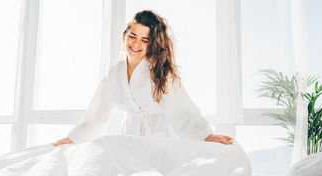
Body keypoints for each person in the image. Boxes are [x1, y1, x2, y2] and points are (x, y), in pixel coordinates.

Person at [54, 10, 233, 147]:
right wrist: (73, 139)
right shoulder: (114, 74)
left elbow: (182, 110)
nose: (136, 44)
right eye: (132, 36)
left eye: (144, 40)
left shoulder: (160, 72)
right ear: (125, 36)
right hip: (130, 137)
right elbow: (96, 116)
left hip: (162, 139)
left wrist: (206, 135)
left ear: (152, 43)